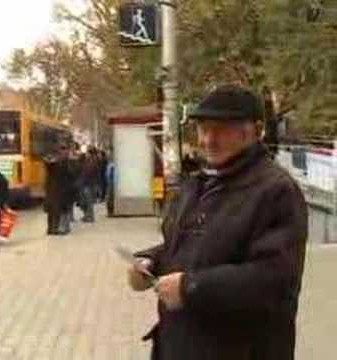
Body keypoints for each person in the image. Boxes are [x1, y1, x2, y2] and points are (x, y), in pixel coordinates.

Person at [128, 85, 308, 360]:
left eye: (222, 130)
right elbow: (186, 245)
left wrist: (190, 287)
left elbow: (274, 279)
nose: (208, 140)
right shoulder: (198, 184)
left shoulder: (275, 191)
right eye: (203, 128)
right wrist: (149, 262)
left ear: (255, 131)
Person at [44, 145, 74, 235]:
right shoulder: (62, 163)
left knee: (56, 210)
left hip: (58, 190)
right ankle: (55, 228)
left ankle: (53, 228)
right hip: (58, 190)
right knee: (57, 210)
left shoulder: (61, 163)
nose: (64, 154)